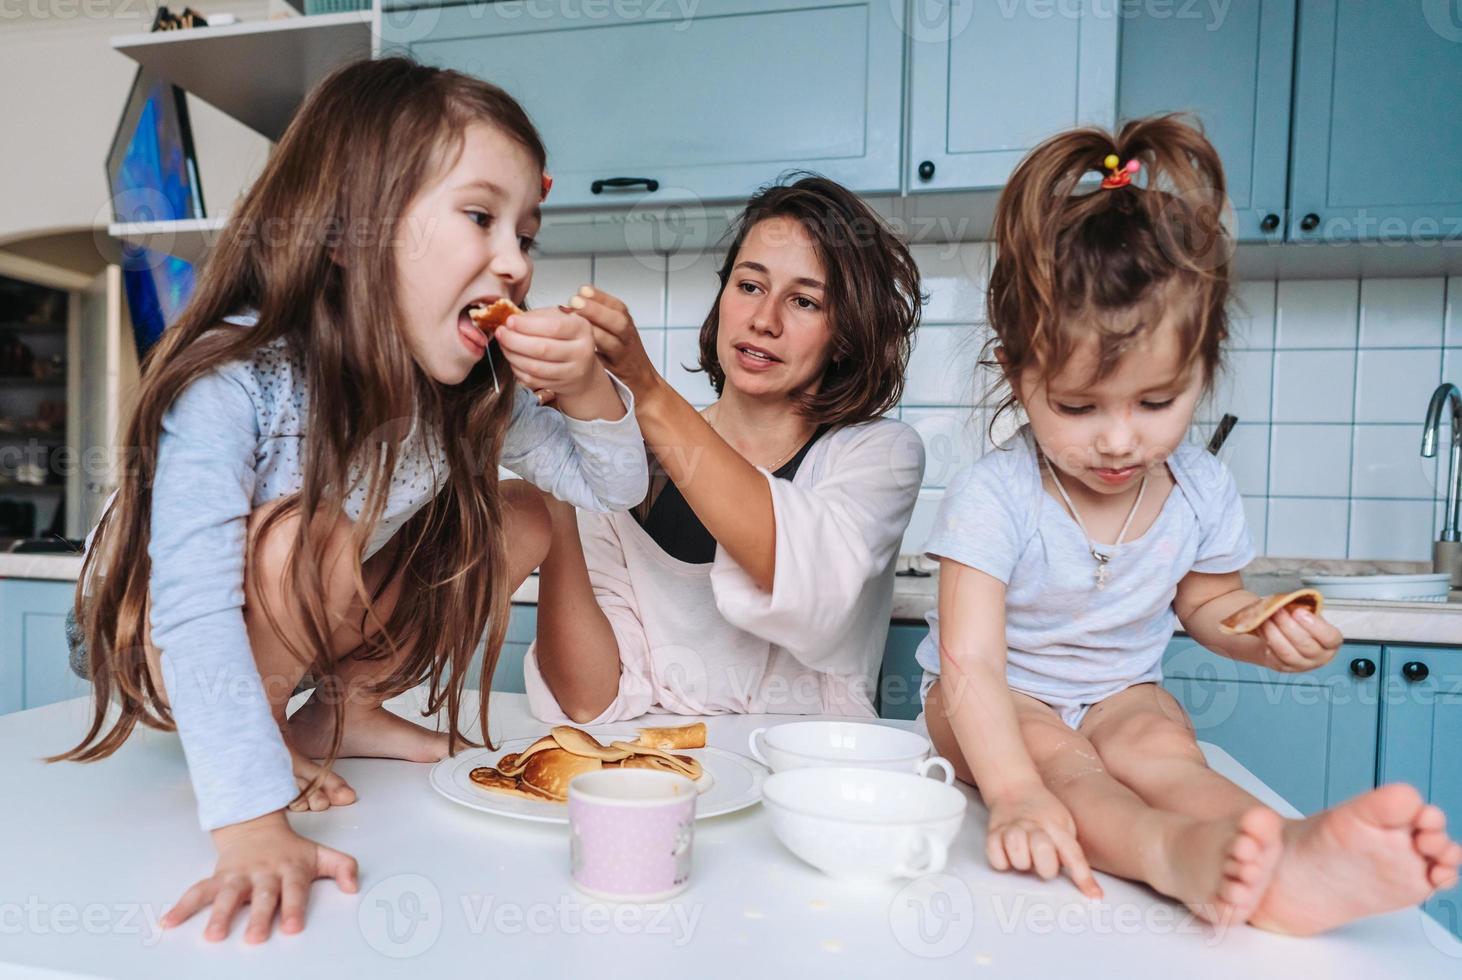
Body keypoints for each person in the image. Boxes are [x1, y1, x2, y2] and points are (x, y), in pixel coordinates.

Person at [52, 57, 648, 943]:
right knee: (305, 535)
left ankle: (346, 709)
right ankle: (265, 734)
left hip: (290, 609)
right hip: (155, 633)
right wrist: (251, 822)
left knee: (520, 513)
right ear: (349, 234)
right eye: (481, 218)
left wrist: (591, 391)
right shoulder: (240, 376)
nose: (516, 263)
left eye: (526, 233)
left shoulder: (475, 391)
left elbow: (614, 486)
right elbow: (192, 603)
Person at [918, 115, 1461, 933]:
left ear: (1204, 366)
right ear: (1015, 369)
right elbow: (970, 667)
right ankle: (1177, 858)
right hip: (993, 704)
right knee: (1066, 767)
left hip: (1119, 692)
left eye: (1156, 401)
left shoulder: (1202, 489)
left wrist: (1261, 634)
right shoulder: (994, 495)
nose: (1118, 438)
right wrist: (1019, 796)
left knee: (1162, 748)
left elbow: (1207, 605)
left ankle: (1291, 856)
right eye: (1076, 405)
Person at [524, 176, 926, 723]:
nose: (765, 320)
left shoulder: (879, 454)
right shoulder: (625, 461)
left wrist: (644, 388)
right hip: (660, 774)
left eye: (804, 301)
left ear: (847, 333)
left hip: (808, 783)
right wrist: (556, 475)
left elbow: (795, 575)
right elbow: (588, 696)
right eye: (750, 285)